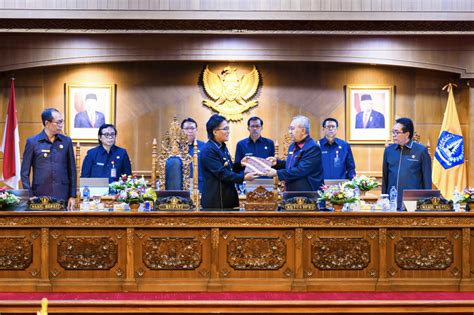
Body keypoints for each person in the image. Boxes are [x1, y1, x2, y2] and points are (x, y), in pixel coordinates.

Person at [20, 108, 76, 210]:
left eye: (62, 121)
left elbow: (72, 170)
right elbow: (24, 173)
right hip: (40, 195)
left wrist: (72, 195)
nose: (61, 125)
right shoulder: (33, 142)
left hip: (62, 195)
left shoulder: (66, 142)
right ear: (47, 123)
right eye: (58, 122)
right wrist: (30, 195)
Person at [199, 114, 257, 209]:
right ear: (215, 132)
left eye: (228, 128)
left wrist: (240, 164)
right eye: (225, 129)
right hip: (216, 202)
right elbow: (222, 173)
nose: (228, 132)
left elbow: (228, 168)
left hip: (227, 198)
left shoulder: (222, 147)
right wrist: (244, 178)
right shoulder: (208, 150)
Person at [382, 117, 432, 210]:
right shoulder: (389, 151)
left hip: (414, 204)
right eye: (392, 132)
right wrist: (384, 199)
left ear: (407, 134)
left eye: (397, 132)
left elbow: (427, 179)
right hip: (392, 203)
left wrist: (427, 204)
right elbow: (385, 178)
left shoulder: (421, 151)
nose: (393, 135)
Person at [264, 115, 323, 191]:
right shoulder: (292, 146)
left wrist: (277, 173)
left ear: (303, 131)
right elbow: (291, 165)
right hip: (291, 193)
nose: (289, 132)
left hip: (308, 195)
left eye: (292, 129)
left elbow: (301, 170)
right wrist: (277, 163)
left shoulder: (313, 147)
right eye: (289, 128)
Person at [181, 117, 206, 192]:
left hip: (200, 186)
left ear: (196, 130)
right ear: (182, 131)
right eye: (187, 128)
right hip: (181, 187)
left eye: (192, 128)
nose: (190, 131)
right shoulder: (176, 148)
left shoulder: (204, 146)